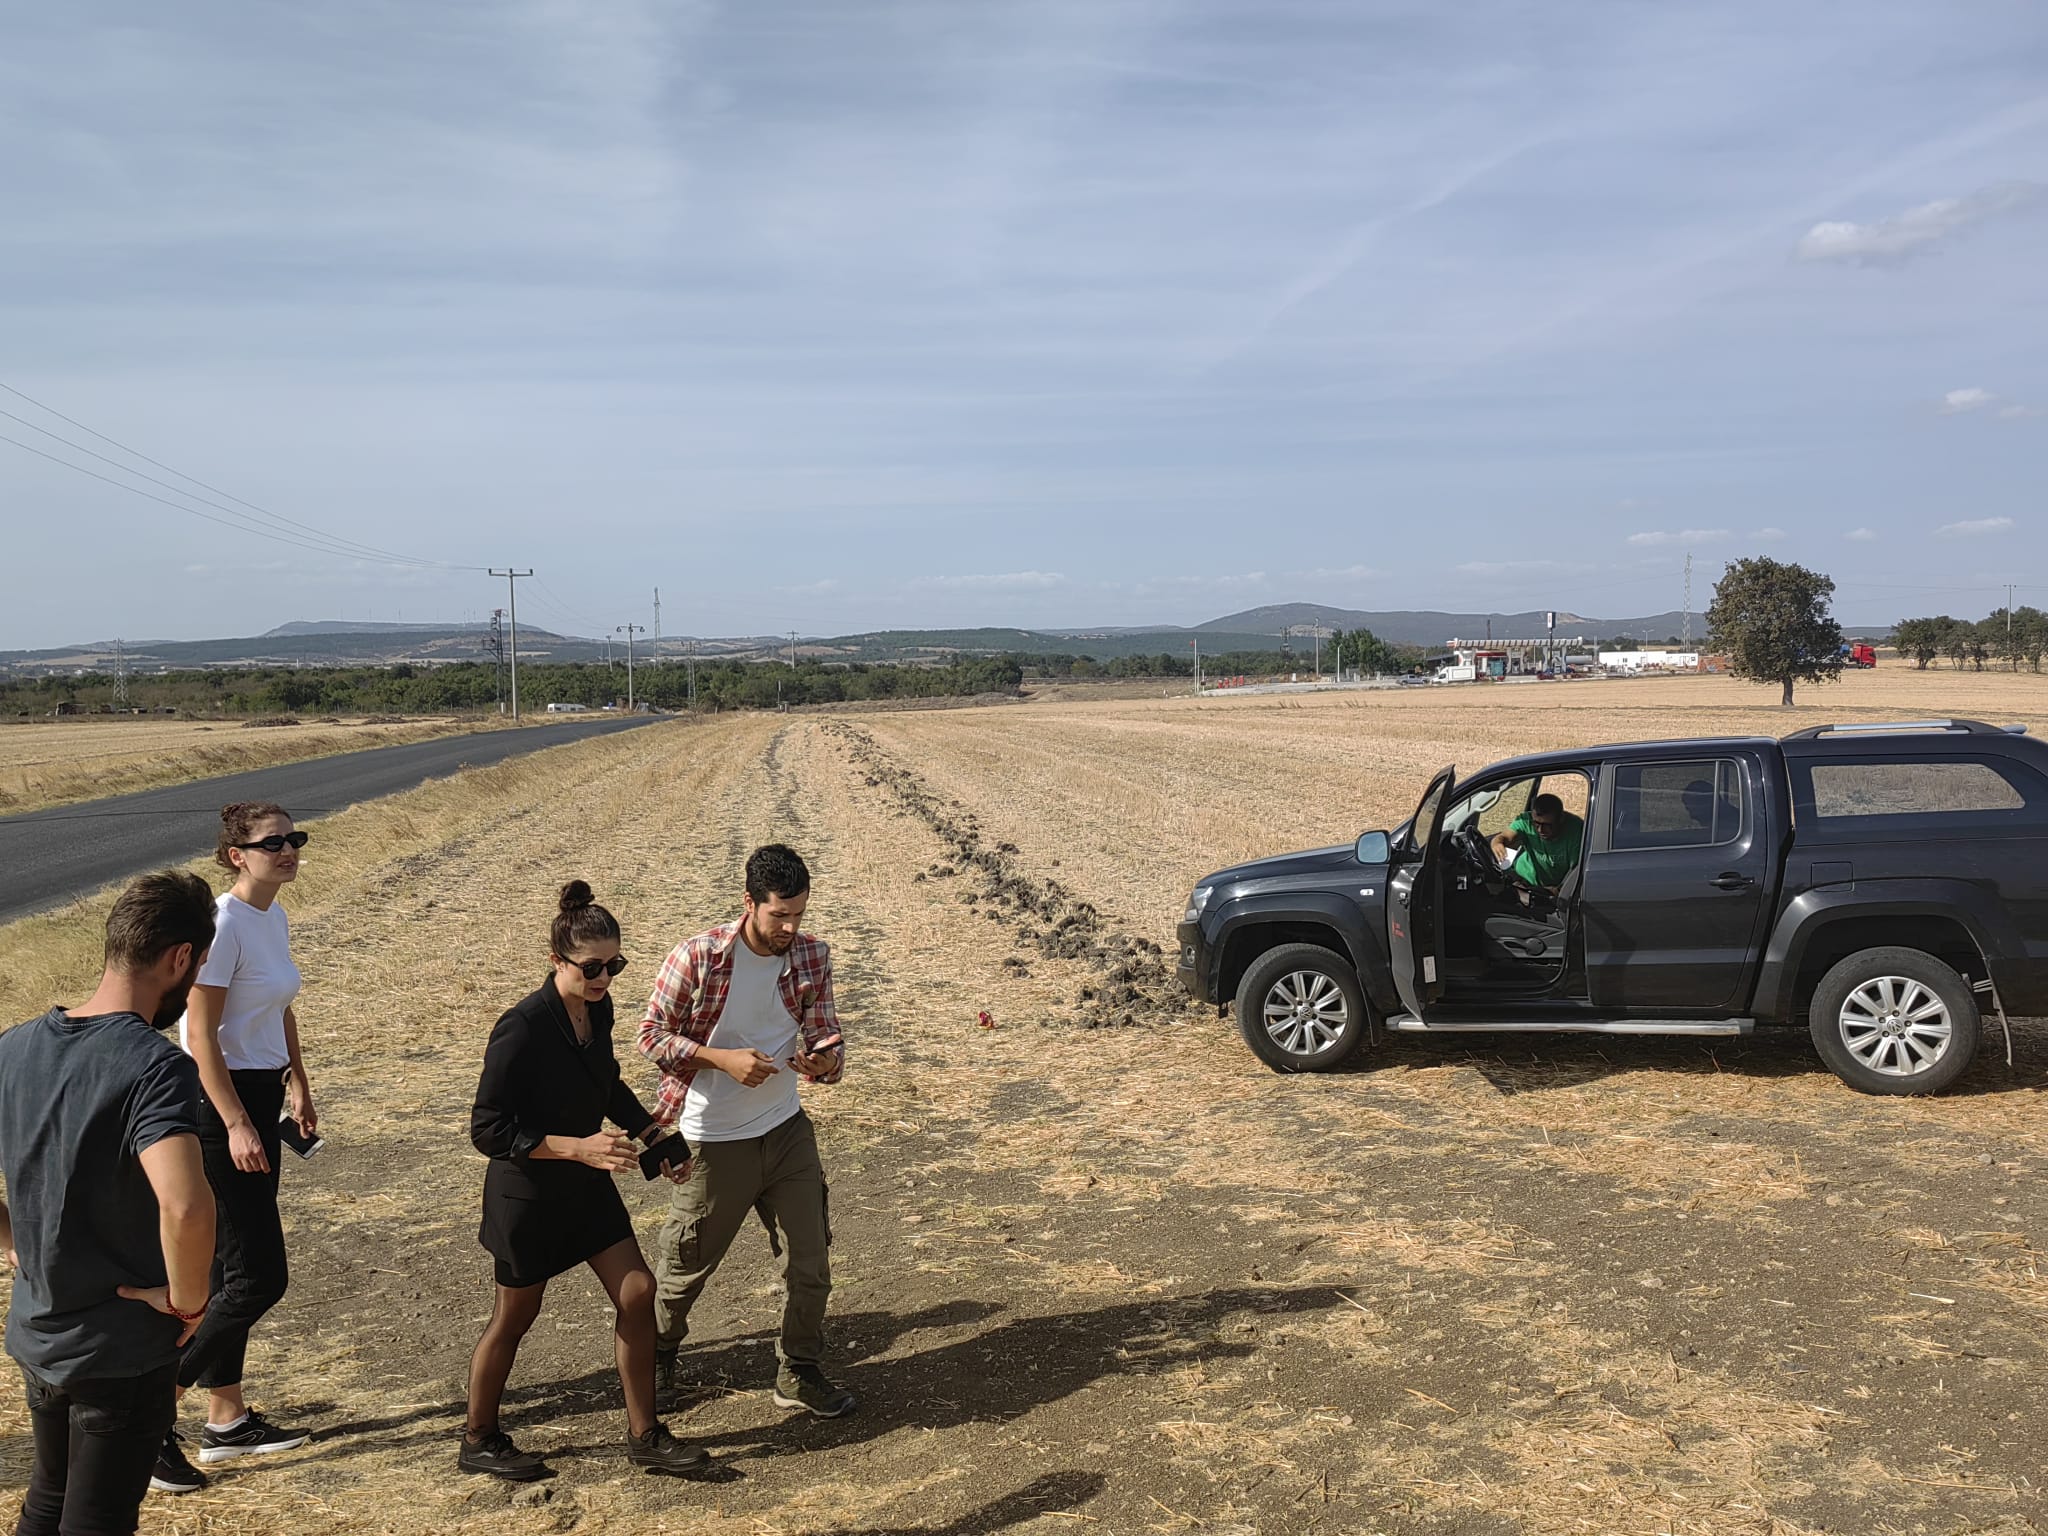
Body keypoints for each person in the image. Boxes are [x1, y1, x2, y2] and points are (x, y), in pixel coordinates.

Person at [463, 881, 706, 1481]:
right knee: (515, 1318)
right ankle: (479, 1436)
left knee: (637, 1291)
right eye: (592, 967)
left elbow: (605, 1084)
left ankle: (645, 1435)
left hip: (585, 1182)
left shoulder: (598, 1009)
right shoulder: (520, 1027)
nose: (604, 978)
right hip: (527, 1191)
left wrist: (656, 1135)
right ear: (557, 961)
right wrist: (578, 1147)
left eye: (614, 965)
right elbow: (488, 1130)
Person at [0, 871, 218, 1532]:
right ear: (180, 958)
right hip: (119, 1353)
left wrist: (16, 1245)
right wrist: (188, 1301)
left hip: (41, 1337)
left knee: (47, 1500)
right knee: (94, 1521)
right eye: (199, 964)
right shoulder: (155, 1067)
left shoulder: (13, 1048)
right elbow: (185, 1207)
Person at [640, 844, 854, 1419]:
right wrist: (721, 1058)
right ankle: (655, 1359)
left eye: (798, 915)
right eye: (778, 915)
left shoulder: (812, 956)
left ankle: (799, 1370)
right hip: (713, 1139)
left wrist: (824, 1062)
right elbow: (652, 1036)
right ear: (749, 904)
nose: (789, 927)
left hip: (786, 1131)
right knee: (686, 1268)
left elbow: (827, 1035)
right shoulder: (698, 957)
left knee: (810, 1261)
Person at [168, 802, 317, 1485]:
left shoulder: (274, 916)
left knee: (231, 1275)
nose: (288, 850)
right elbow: (199, 1035)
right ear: (237, 854)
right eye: (273, 842)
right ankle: (145, 1412)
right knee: (259, 1276)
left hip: (260, 1095)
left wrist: (299, 1083)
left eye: (294, 838)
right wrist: (232, 1121)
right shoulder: (224, 926)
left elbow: (280, 1005)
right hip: (217, 1102)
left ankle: (225, 1421)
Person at [1490, 791, 1585, 893]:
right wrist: (1497, 842)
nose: (1540, 830)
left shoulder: (1576, 830)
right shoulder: (1525, 821)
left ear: (1561, 818)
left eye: (1547, 825)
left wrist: (1559, 890)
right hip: (1521, 878)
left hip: (1552, 889)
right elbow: (1505, 836)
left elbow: (1576, 871)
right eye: (1536, 823)